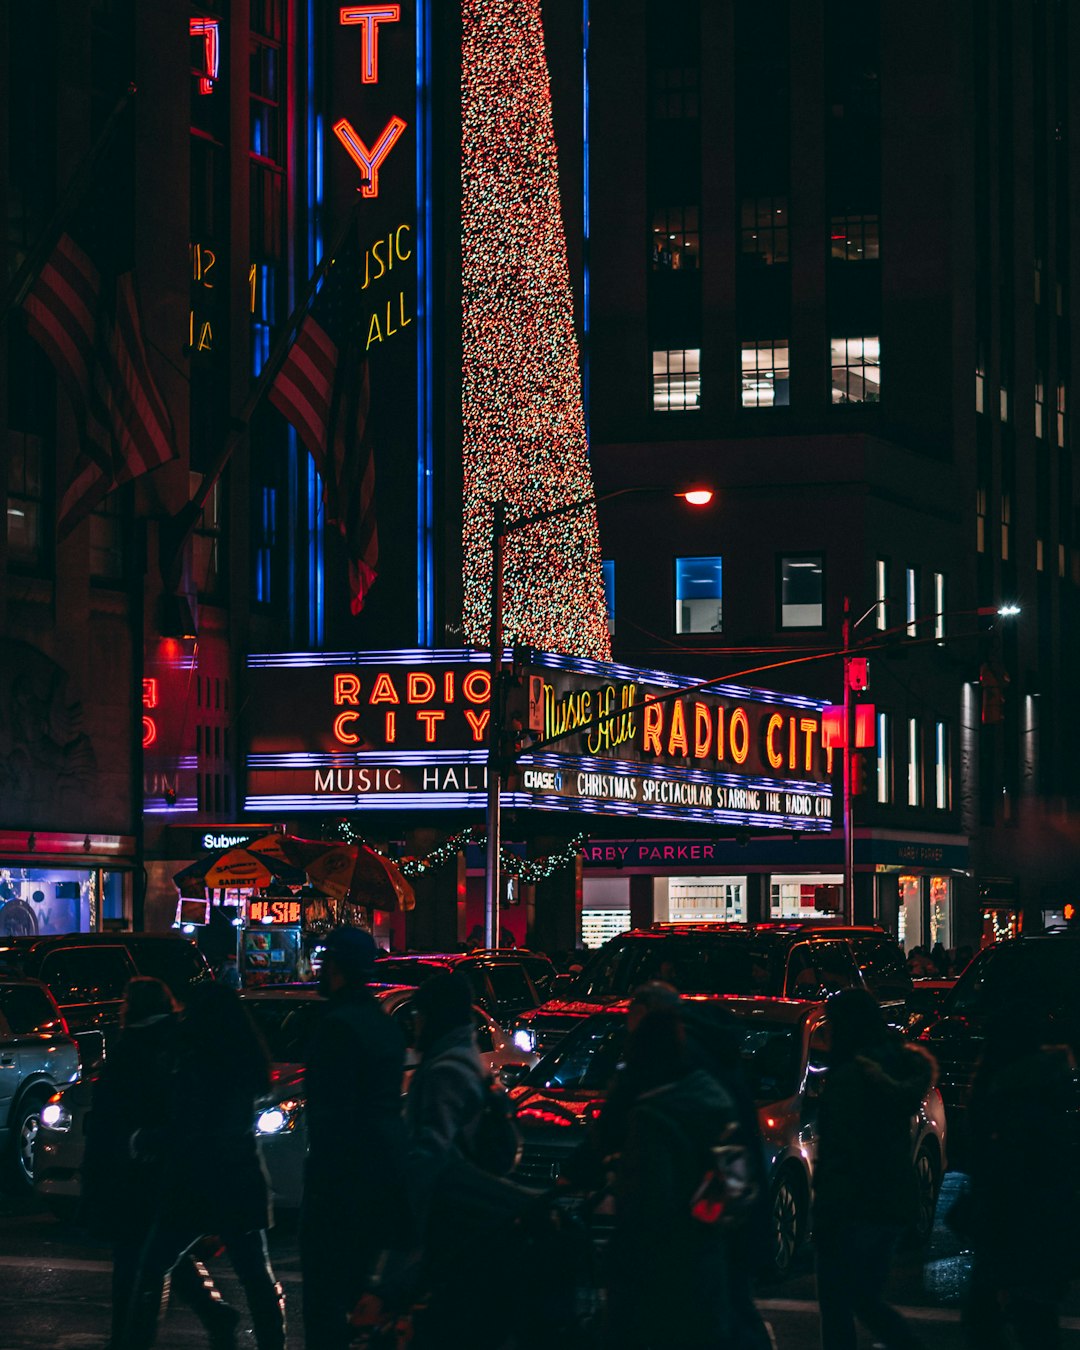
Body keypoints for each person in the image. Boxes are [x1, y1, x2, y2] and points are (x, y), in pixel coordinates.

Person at [124, 982, 285, 1350]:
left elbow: (189, 1125)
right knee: (257, 1279)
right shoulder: (245, 1058)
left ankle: (138, 1341)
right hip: (239, 1178)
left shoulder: (196, 1057)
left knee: (153, 1266)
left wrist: (144, 1141)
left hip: (194, 1180)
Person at [82, 977, 238, 1350]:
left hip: (137, 1163)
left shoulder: (133, 1048)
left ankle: (129, 1337)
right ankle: (212, 1312)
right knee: (155, 1251)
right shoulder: (172, 1043)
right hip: (159, 1164)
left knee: (135, 1257)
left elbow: (117, 1112)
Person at [402, 971, 536, 1347]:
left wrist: (399, 1266)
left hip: (451, 1226)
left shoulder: (444, 1071)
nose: (414, 1025)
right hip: (473, 1224)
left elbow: (430, 1156)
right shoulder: (470, 1063)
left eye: (419, 1015)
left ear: (433, 1017)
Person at [301, 926, 411, 1350]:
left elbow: (332, 1119)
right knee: (363, 1297)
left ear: (335, 966)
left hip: (340, 1183)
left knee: (325, 1302)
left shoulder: (336, 1028)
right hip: (383, 1172)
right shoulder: (384, 1027)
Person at [606, 1005, 736, 1349]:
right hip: (705, 1251)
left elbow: (645, 1200)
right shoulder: (715, 1099)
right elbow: (736, 1183)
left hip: (658, 1262)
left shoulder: (649, 1114)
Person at [814, 988, 936, 1350]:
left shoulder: (850, 1077)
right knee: (863, 1297)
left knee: (837, 1302)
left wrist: (827, 1210)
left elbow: (842, 1151)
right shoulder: (892, 1067)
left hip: (850, 1206)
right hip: (887, 1198)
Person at [963, 1001, 1078, 1349]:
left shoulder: (1008, 1092)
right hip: (1043, 1219)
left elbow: (1003, 1161)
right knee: (1035, 1319)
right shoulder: (1050, 1083)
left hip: (1014, 1217)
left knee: (993, 1317)